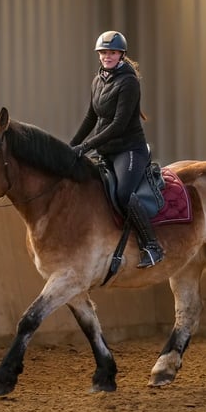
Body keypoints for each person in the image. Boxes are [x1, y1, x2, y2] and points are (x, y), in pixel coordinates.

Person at [70, 30, 164, 268]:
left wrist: (87, 145)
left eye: (111, 52)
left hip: (129, 150)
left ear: (121, 54)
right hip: (106, 149)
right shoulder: (98, 80)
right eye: (103, 52)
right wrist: (70, 146)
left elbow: (118, 125)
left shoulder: (129, 82)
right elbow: (90, 118)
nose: (106, 57)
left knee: (123, 194)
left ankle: (151, 246)